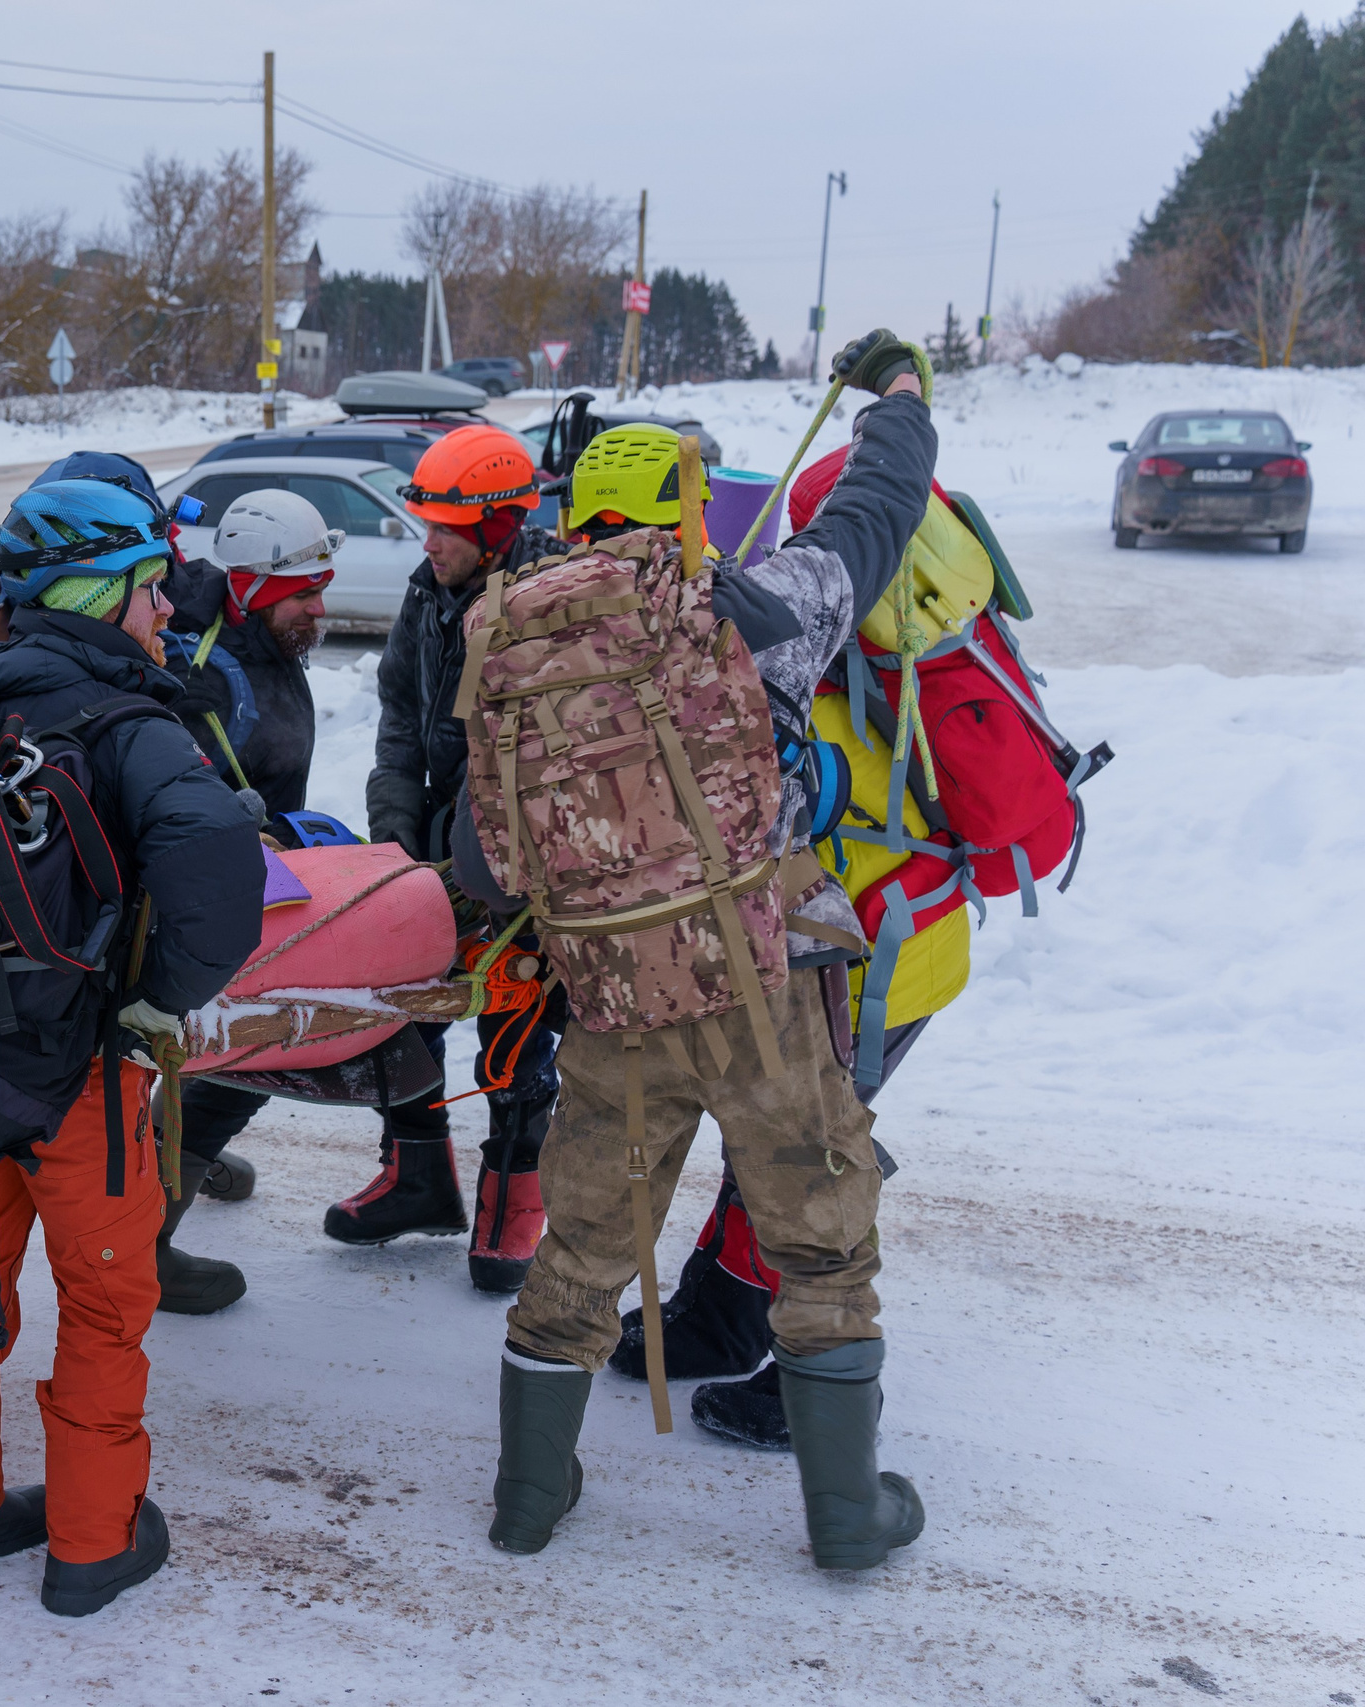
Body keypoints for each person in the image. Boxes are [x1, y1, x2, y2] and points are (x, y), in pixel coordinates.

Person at [485, 331, 938, 1572]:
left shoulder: (500, 645)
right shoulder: (752, 609)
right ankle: (846, 1518)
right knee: (821, 1240)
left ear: (577, 518)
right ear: (686, 515)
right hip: (760, 992)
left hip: (611, 999)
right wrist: (894, 397)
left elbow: (496, 853)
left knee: (577, 1248)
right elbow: (877, 506)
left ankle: (528, 1499)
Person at [0, 477, 263, 1617]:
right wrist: (154, 1000)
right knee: (104, 1303)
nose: (163, 613)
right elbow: (217, 866)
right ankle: (93, 1545)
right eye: (150, 590)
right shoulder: (128, 724)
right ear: (100, 594)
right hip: (83, 1075)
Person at [607, 444, 984, 1449]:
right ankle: (723, 1312)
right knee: (766, 1139)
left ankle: (816, 1387)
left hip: (867, 959)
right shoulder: (821, 635)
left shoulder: (771, 656)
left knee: (806, 1158)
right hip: (871, 944)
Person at [350, 427, 567, 1292]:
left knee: (514, 1023)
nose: (427, 540)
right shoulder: (426, 592)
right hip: (441, 833)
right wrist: (397, 836)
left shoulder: (552, 597)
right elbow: (400, 720)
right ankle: (418, 1175)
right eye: (424, 523)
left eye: (445, 526)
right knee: (406, 1004)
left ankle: (516, 1203)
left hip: (529, 849)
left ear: (502, 523)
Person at [152, 488, 339, 1314]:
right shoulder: (209, 668)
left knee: (228, 1046)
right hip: (211, 882)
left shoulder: (259, 638)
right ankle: (150, 1232)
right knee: (252, 1042)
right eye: (304, 593)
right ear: (256, 586)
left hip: (263, 866)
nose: (319, 607)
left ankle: (184, 1142)